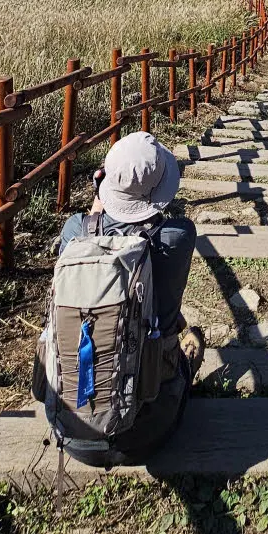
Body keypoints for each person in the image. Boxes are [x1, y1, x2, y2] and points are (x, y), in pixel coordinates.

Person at [57, 134, 202, 457]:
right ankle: (185, 363)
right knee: (192, 341)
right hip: (149, 430)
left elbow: (96, 241)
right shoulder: (177, 237)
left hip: (70, 428)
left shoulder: (74, 231)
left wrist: (99, 208)